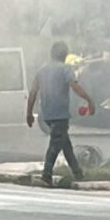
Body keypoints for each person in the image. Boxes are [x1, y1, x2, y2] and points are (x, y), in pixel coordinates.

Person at [26, 40, 96, 186]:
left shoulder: (42, 70)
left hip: (47, 114)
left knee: (65, 144)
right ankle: (46, 175)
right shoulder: (65, 69)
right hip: (60, 114)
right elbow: (75, 86)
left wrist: (29, 113)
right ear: (65, 55)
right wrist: (89, 100)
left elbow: (33, 92)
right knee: (55, 145)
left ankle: (78, 173)